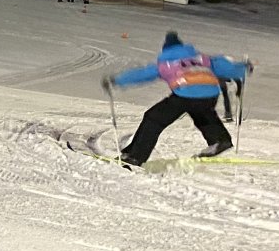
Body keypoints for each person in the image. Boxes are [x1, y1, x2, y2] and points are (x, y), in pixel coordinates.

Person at [102, 31, 251, 165]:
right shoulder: (203, 59)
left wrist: (116, 81)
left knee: (154, 119)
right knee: (203, 115)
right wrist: (244, 68)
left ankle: (135, 156)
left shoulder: (166, 63)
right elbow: (226, 67)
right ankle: (220, 140)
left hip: (185, 95)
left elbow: (142, 74)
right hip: (210, 94)